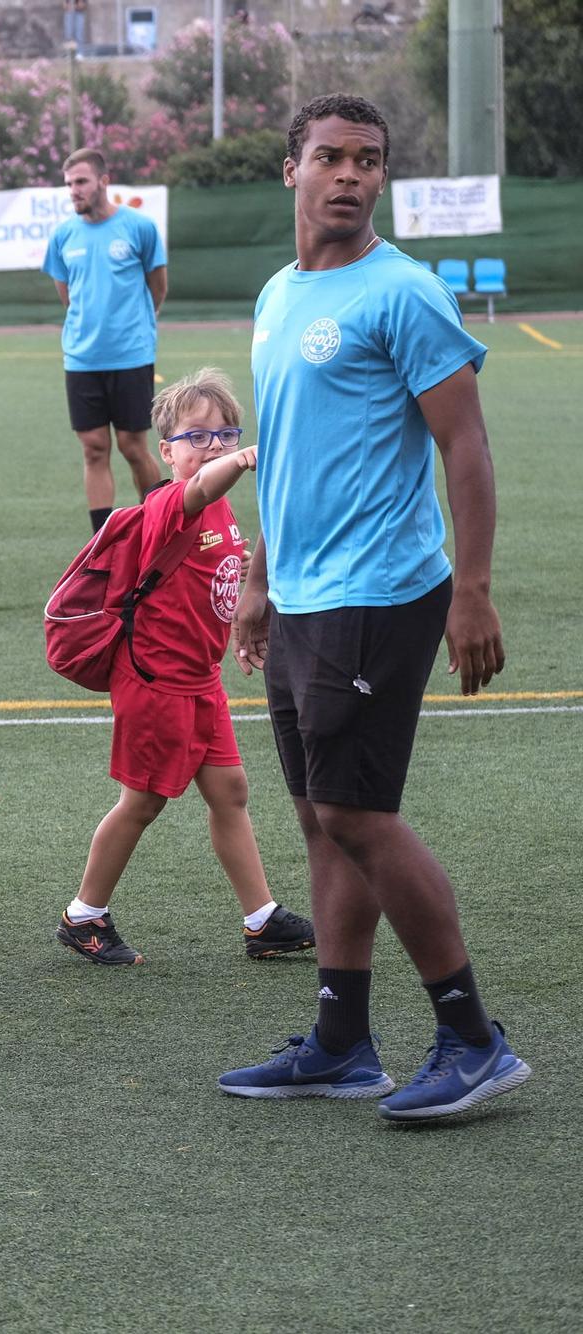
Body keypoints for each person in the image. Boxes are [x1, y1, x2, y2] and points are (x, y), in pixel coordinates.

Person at [219, 95, 529, 1120]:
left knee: (357, 811)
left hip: (381, 588)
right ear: (290, 169)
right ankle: (340, 1041)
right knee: (316, 818)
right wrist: (260, 579)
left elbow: (465, 447)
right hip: (301, 595)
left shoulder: (402, 293)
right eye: (328, 156)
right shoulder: (273, 295)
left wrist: (471, 589)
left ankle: (470, 1036)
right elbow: (285, 455)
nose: (348, 175)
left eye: (366, 160)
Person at [59, 369, 313, 967]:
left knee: (230, 792)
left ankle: (262, 919)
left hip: (199, 679)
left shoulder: (222, 511)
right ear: (165, 451)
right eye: (197, 436)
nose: (215, 445)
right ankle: (84, 915)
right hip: (155, 681)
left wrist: (246, 624)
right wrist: (245, 457)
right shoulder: (173, 502)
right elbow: (200, 489)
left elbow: (220, 580)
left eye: (226, 434)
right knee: (143, 802)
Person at [43, 148, 168, 532]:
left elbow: (157, 289)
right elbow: (67, 295)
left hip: (131, 356)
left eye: (80, 182)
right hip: (82, 359)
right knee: (94, 448)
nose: (74, 191)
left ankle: (158, 527)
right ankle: (102, 540)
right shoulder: (63, 235)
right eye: (68, 184)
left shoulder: (139, 228)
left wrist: (135, 328)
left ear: (103, 181)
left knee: (133, 447)